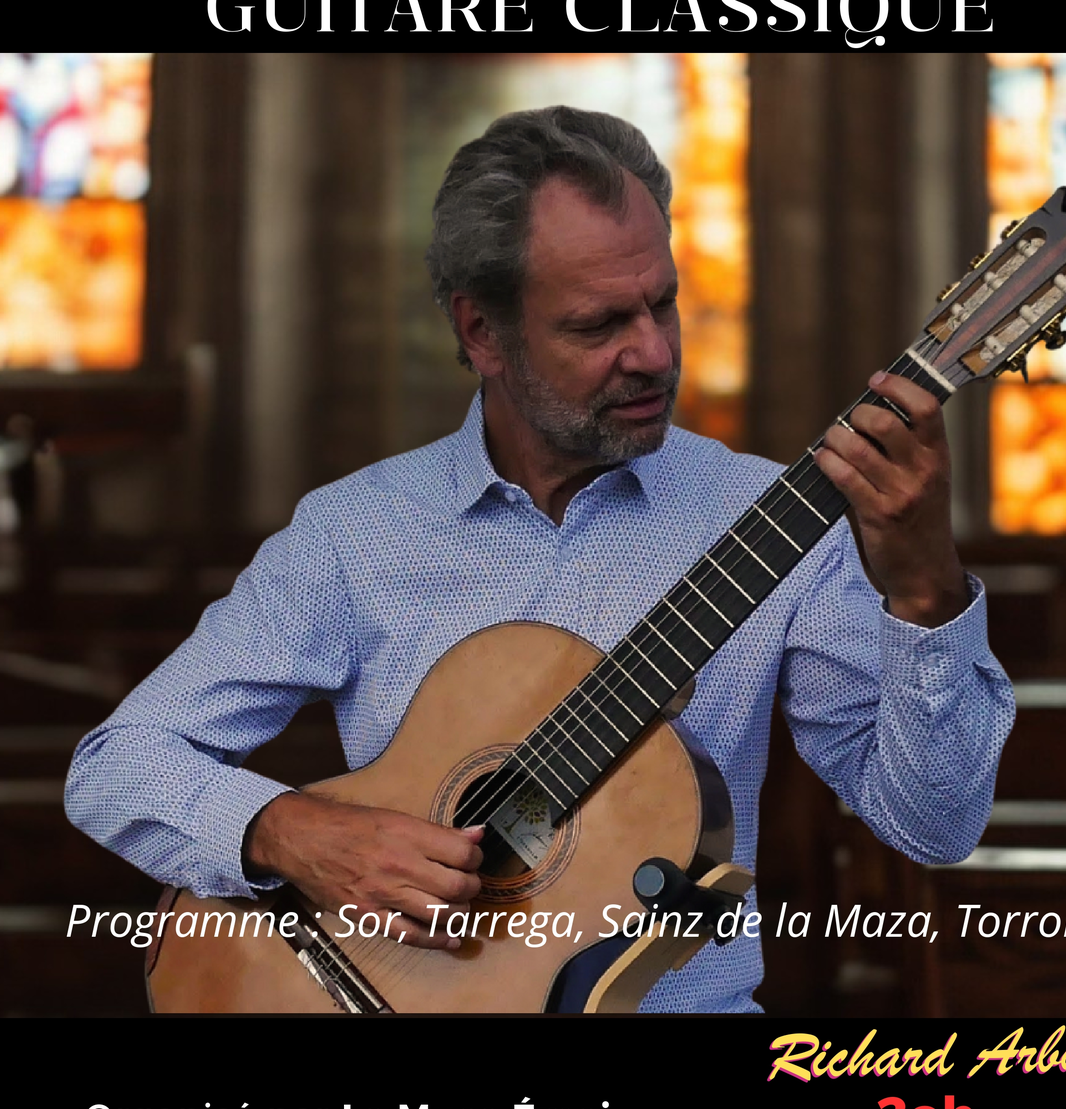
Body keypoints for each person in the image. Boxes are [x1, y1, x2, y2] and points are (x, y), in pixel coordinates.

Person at [65, 105, 1014, 1014]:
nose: (651, 352)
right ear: (483, 332)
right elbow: (114, 768)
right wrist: (294, 835)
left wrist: (925, 588)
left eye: (664, 305)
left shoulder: (769, 522)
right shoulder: (354, 534)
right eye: (599, 325)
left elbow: (933, 826)